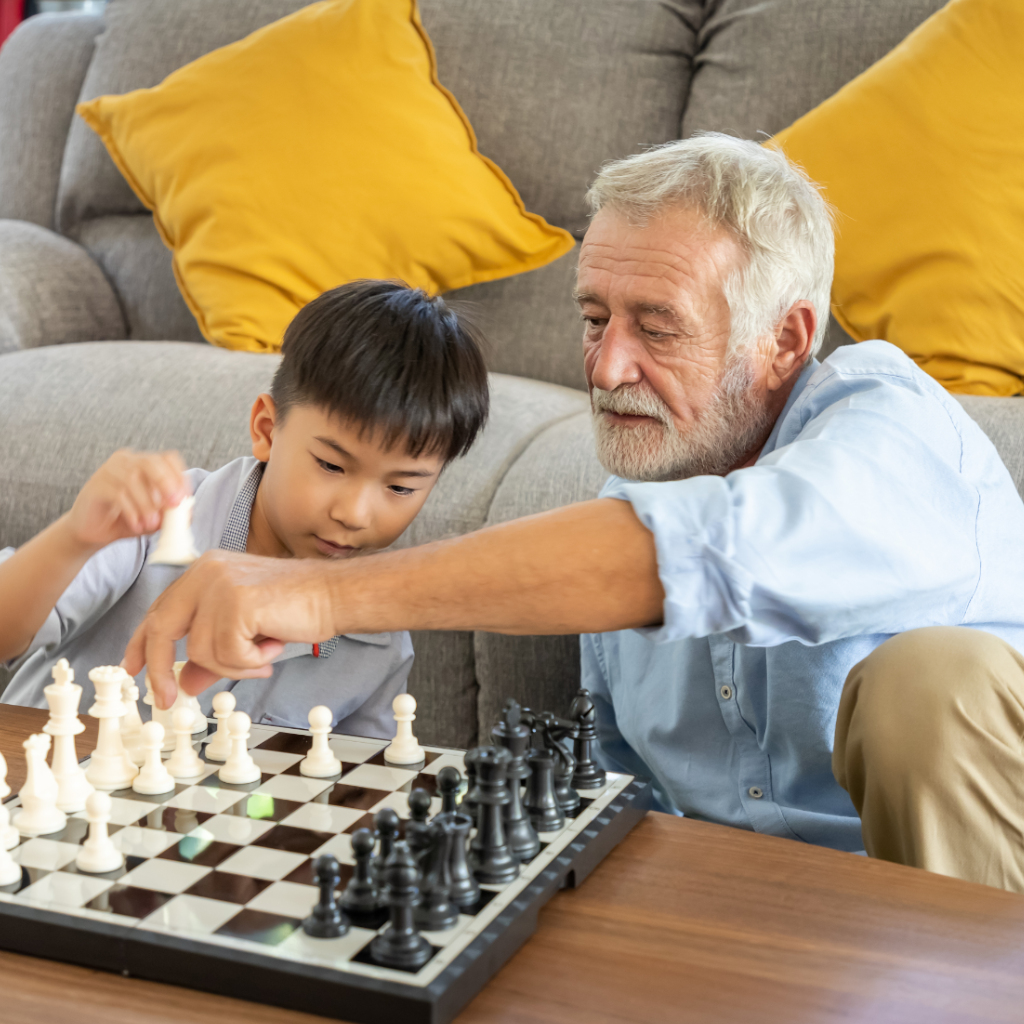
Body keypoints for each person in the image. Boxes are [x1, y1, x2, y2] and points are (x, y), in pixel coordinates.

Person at [124, 135, 1024, 892]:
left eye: (656, 326)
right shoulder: (617, 527)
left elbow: (713, 550)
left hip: (950, 903)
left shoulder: (893, 431)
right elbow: (631, 807)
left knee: (931, 682)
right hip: (763, 939)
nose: (604, 368)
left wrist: (317, 598)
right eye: (595, 318)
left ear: (785, 339)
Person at [0, 280, 489, 736]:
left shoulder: (377, 637)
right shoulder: (158, 522)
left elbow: (357, 792)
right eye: (332, 466)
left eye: (401, 488)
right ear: (266, 429)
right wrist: (75, 538)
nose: (355, 514)